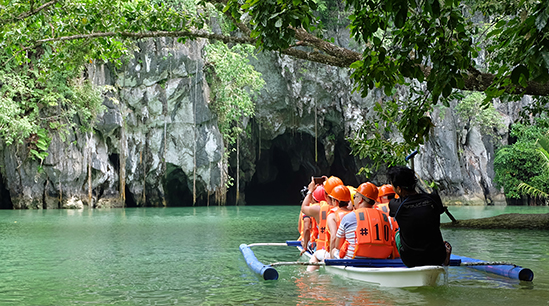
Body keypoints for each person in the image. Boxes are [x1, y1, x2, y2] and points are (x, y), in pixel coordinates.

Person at [387, 166, 450, 268]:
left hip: (411, 260)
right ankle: (445, 256)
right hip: (438, 256)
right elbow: (438, 211)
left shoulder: (395, 205)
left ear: (398, 188)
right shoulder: (433, 198)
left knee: (397, 233)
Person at [331, 182, 393, 259]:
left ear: (360, 199)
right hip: (382, 257)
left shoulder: (348, 217)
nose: (353, 200)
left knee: (334, 250)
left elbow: (338, 246)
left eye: (355, 197)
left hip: (355, 257)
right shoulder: (385, 217)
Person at [325, 185, 354, 255]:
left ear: (336, 201)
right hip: (352, 251)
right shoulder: (354, 213)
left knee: (316, 255)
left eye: (332, 199)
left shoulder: (332, 215)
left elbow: (333, 237)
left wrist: (332, 257)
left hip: (341, 252)